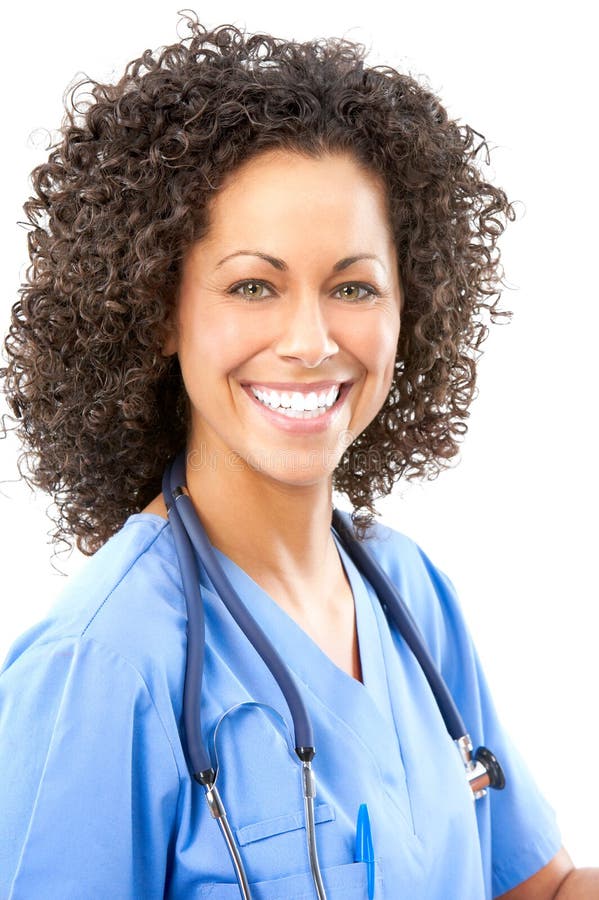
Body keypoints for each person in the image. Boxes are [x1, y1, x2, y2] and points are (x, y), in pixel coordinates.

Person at [0, 11, 596, 899]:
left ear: (411, 308)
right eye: (253, 285)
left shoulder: (410, 598)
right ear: (161, 311)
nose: (311, 341)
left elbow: (531, 888)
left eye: (352, 286)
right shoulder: (103, 666)